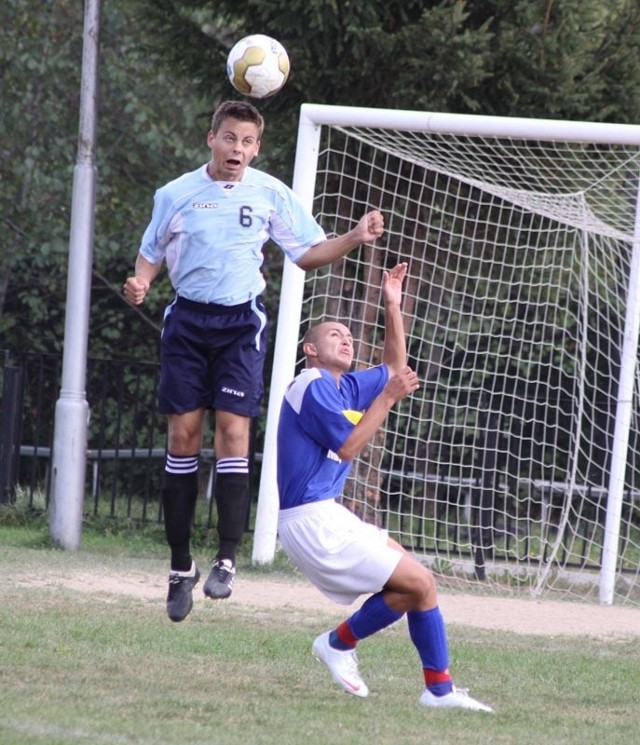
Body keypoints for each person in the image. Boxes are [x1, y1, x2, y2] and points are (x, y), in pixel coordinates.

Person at [123, 100, 384, 623]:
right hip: (188, 323)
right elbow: (151, 250)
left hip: (241, 325)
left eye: (246, 142)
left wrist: (354, 238)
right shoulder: (175, 194)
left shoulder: (270, 192)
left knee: (234, 437)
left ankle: (226, 558)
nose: (236, 149)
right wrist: (142, 281)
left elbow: (307, 253)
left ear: (256, 148)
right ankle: (180, 568)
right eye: (228, 138)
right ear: (211, 139)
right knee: (183, 439)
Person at [276, 262, 493, 711]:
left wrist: (392, 304)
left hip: (328, 515)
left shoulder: (344, 387)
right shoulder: (312, 383)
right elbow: (351, 446)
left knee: (418, 587)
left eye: (349, 335)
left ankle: (437, 689)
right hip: (312, 521)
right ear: (310, 349)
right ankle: (341, 645)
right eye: (335, 334)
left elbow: (395, 365)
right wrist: (389, 397)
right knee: (418, 580)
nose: (346, 338)